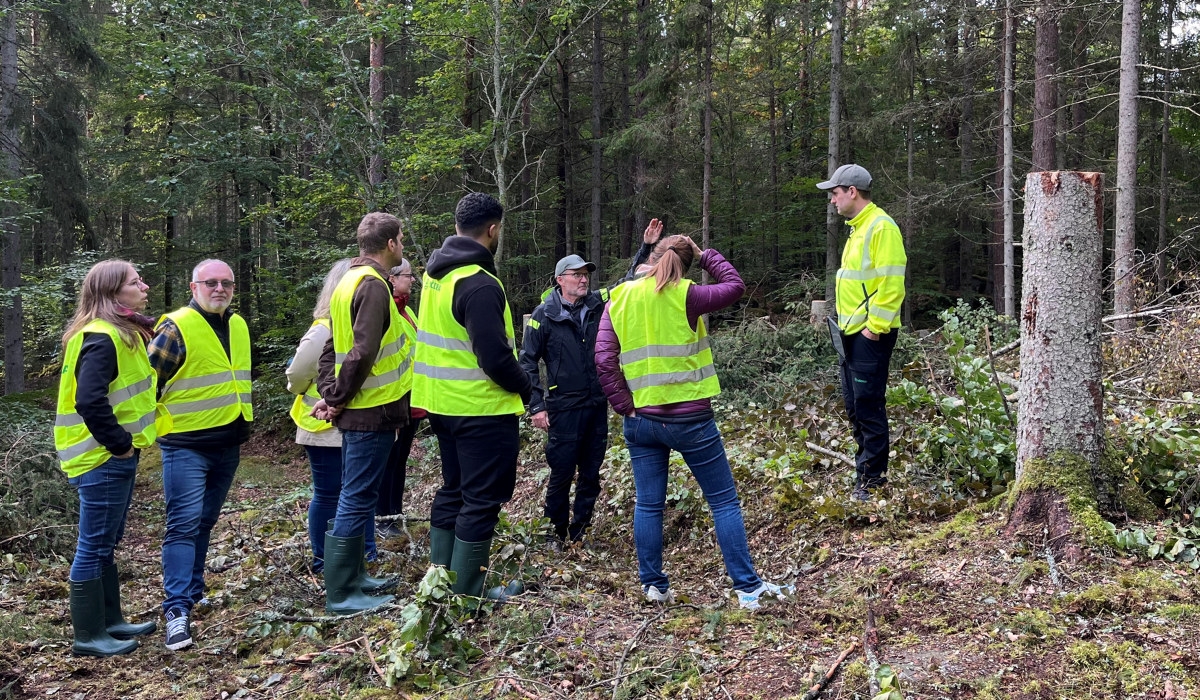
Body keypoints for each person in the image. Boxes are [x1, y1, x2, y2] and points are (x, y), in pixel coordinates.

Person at [595, 233, 792, 611]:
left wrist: (625, 406)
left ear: (653, 258)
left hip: (642, 422)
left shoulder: (619, 297)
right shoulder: (688, 295)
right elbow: (735, 285)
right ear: (685, 263)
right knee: (723, 502)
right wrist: (705, 256)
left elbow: (604, 359)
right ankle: (748, 589)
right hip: (691, 421)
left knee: (649, 505)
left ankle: (654, 586)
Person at [412, 192, 532, 598]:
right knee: (481, 500)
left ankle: (441, 584)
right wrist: (528, 386)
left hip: (443, 405)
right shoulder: (478, 284)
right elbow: (495, 358)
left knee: (454, 490)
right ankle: (467, 594)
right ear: (493, 229)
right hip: (481, 408)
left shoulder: (436, 275)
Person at [519, 220, 662, 548]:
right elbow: (527, 362)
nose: (583, 279)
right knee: (561, 474)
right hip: (563, 407)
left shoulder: (598, 303)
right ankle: (554, 534)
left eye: (586, 274)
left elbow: (627, 282)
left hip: (596, 404)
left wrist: (646, 248)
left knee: (591, 475)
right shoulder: (544, 314)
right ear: (560, 280)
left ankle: (579, 532)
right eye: (576, 274)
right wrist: (536, 406)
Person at [54, 260, 157, 656]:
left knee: (106, 543)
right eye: (136, 282)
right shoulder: (102, 337)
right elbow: (88, 401)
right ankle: (88, 635)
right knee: (94, 545)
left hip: (111, 456)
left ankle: (110, 622)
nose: (144, 286)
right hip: (101, 457)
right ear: (114, 293)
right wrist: (119, 444)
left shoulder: (116, 333)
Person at [149, 259, 253, 650]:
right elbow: (147, 385)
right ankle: (176, 610)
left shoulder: (238, 325)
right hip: (185, 446)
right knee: (183, 524)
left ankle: (193, 591)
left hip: (228, 442)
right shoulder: (175, 327)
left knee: (205, 521)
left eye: (227, 282)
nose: (219, 289)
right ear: (193, 288)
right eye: (210, 283)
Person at [312, 212, 411, 615]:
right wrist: (336, 397)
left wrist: (330, 392)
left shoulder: (346, 283)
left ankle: (353, 576)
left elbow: (330, 347)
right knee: (355, 498)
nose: (402, 246)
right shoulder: (372, 286)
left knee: (360, 494)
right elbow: (362, 351)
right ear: (390, 244)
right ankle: (341, 592)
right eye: (401, 240)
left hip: (364, 408)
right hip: (372, 410)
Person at [817, 164, 907, 502]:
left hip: (869, 336)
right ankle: (863, 474)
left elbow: (892, 283)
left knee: (868, 407)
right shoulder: (859, 228)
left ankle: (872, 482)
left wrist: (874, 329)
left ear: (852, 192)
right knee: (855, 407)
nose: (832, 200)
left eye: (835, 193)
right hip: (850, 333)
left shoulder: (880, 227)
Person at [286, 259, 380, 573]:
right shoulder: (323, 329)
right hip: (322, 426)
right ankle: (324, 559)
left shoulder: (358, 326)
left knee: (358, 491)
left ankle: (362, 554)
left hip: (353, 424)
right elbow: (297, 375)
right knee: (329, 493)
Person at [375, 260, 426, 536]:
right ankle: (382, 519)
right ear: (392, 279)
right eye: (408, 275)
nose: (413, 280)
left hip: (412, 400)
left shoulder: (408, 312)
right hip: (394, 399)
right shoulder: (389, 312)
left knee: (400, 459)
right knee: (389, 460)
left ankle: (395, 513)